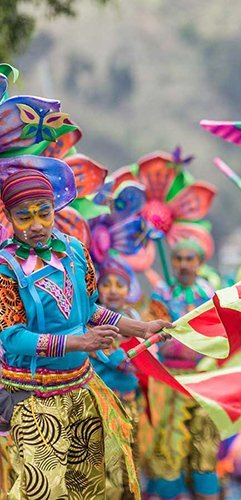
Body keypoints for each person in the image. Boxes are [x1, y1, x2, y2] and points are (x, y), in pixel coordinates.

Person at [0, 167, 170, 499]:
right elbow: (12, 337)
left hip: (82, 388)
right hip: (33, 398)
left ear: (54, 209)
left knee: (88, 487)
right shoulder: (5, 268)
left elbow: (89, 309)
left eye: (44, 213)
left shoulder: (75, 250)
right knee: (44, 491)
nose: (36, 225)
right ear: (7, 216)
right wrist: (79, 342)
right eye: (23, 216)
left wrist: (141, 328)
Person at [144, 238, 220, 500]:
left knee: (205, 440)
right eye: (178, 258)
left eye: (190, 259)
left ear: (200, 263)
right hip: (169, 379)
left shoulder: (209, 295)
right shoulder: (161, 294)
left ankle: (204, 490)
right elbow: (148, 333)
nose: (184, 264)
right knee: (169, 440)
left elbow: (219, 334)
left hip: (203, 377)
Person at [92, 256, 145, 499]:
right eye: (106, 284)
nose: (113, 291)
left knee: (132, 464)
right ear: (96, 288)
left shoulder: (135, 318)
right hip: (103, 405)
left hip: (131, 401)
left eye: (120, 285)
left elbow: (143, 360)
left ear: (129, 289)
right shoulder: (91, 321)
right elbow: (117, 360)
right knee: (110, 467)